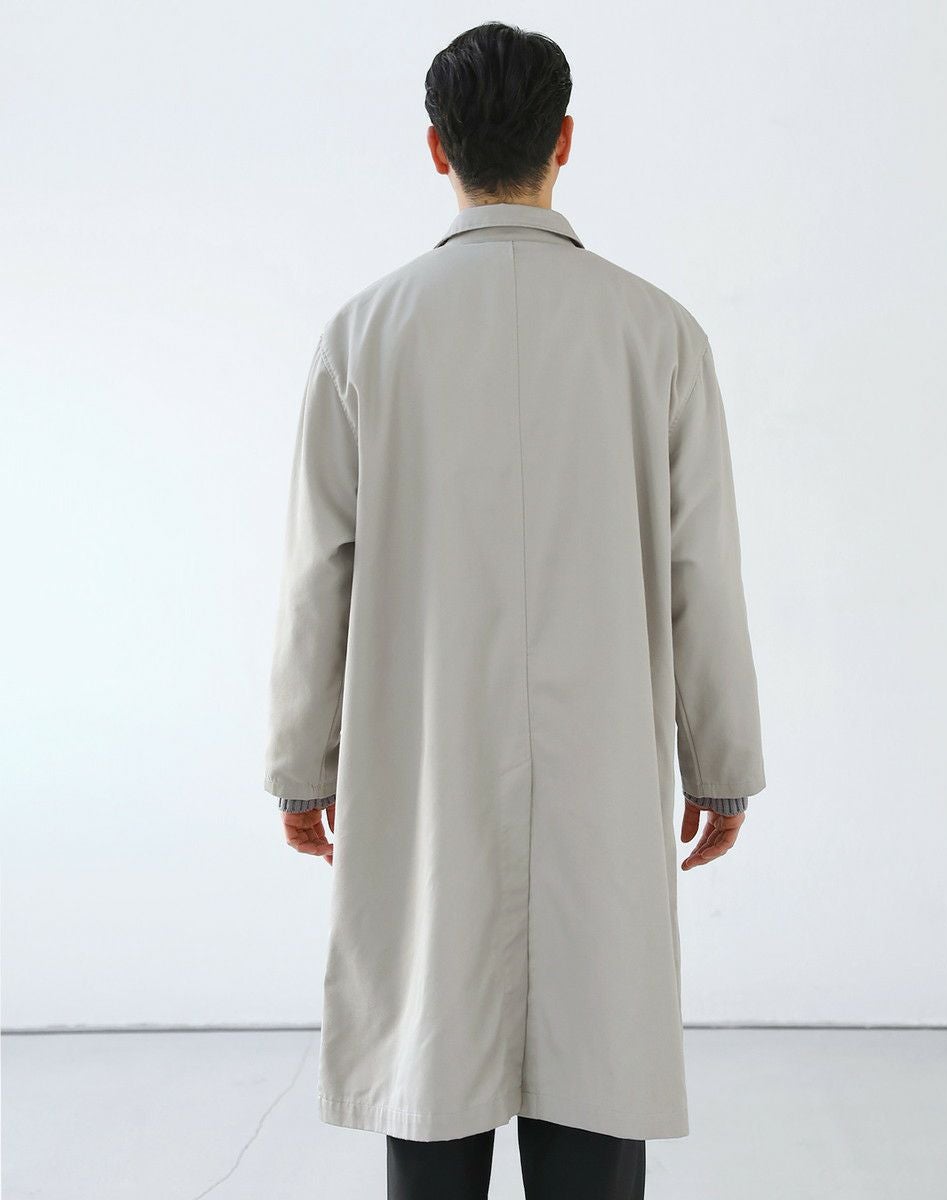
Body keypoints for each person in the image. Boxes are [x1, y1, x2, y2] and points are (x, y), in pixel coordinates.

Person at [264, 20, 765, 1200]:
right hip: (603, 771)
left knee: (431, 1052)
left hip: (424, 766)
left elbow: (317, 571)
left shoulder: (365, 333)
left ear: (436, 148)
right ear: (565, 141)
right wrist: (723, 764)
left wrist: (300, 765)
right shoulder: (657, 331)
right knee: (595, 1063)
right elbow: (701, 567)